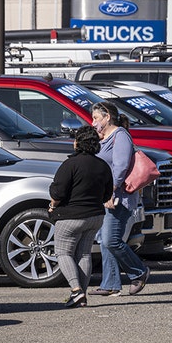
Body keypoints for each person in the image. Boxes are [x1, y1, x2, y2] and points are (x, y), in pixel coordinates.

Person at [88, 100, 151, 297]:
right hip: (107, 196)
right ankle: (110, 283)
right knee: (107, 240)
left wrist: (110, 191)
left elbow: (120, 167)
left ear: (107, 117)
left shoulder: (120, 136)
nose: (93, 122)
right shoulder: (103, 137)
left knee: (111, 240)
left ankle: (139, 272)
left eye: (96, 118)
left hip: (119, 197)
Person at [49, 125, 113, 308]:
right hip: (95, 217)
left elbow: (58, 192)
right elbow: (107, 195)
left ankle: (76, 290)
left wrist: (53, 205)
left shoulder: (70, 164)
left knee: (63, 252)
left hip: (71, 217)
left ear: (78, 143)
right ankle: (80, 296)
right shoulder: (102, 165)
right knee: (84, 254)